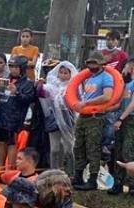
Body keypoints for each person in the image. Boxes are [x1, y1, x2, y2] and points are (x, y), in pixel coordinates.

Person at [71, 51, 114, 191]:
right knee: (78, 146)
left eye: (94, 63)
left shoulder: (106, 78)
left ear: (101, 64)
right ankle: (77, 175)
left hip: (96, 118)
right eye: (89, 63)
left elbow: (107, 97)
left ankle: (92, 179)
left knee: (92, 148)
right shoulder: (89, 78)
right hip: (83, 117)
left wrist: (86, 103)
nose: (91, 65)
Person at [0, 55, 35, 170]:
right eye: (11, 67)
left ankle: (9, 169)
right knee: (0, 142)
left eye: (16, 67)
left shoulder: (28, 83)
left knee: (11, 143)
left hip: (14, 118)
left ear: (22, 68)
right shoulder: (4, 79)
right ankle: (0, 168)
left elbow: (28, 99)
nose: (13, 69)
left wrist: (16, 93)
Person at [41, 61, 78, 176]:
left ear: (70, 74)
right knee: (54, 148)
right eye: (60, 72)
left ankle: (71, 173)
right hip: (54, 121)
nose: (62, 75)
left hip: (69, 122)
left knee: (69, 148)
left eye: (65, 73)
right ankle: (54, 172)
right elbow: (42, 94)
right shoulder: (51, 87)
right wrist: (39, 85)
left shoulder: (74, 87)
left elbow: (77, 103)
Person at [110, 58, 134, 195]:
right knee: (118, 150)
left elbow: (132, 105)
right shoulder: (127, 84)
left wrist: (120, 118)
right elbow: (120, 104)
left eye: (125, 66)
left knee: (128, 151)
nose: (123, 69)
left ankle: (132, 185)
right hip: (122, 120)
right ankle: (117, 183)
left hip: (130, 120)